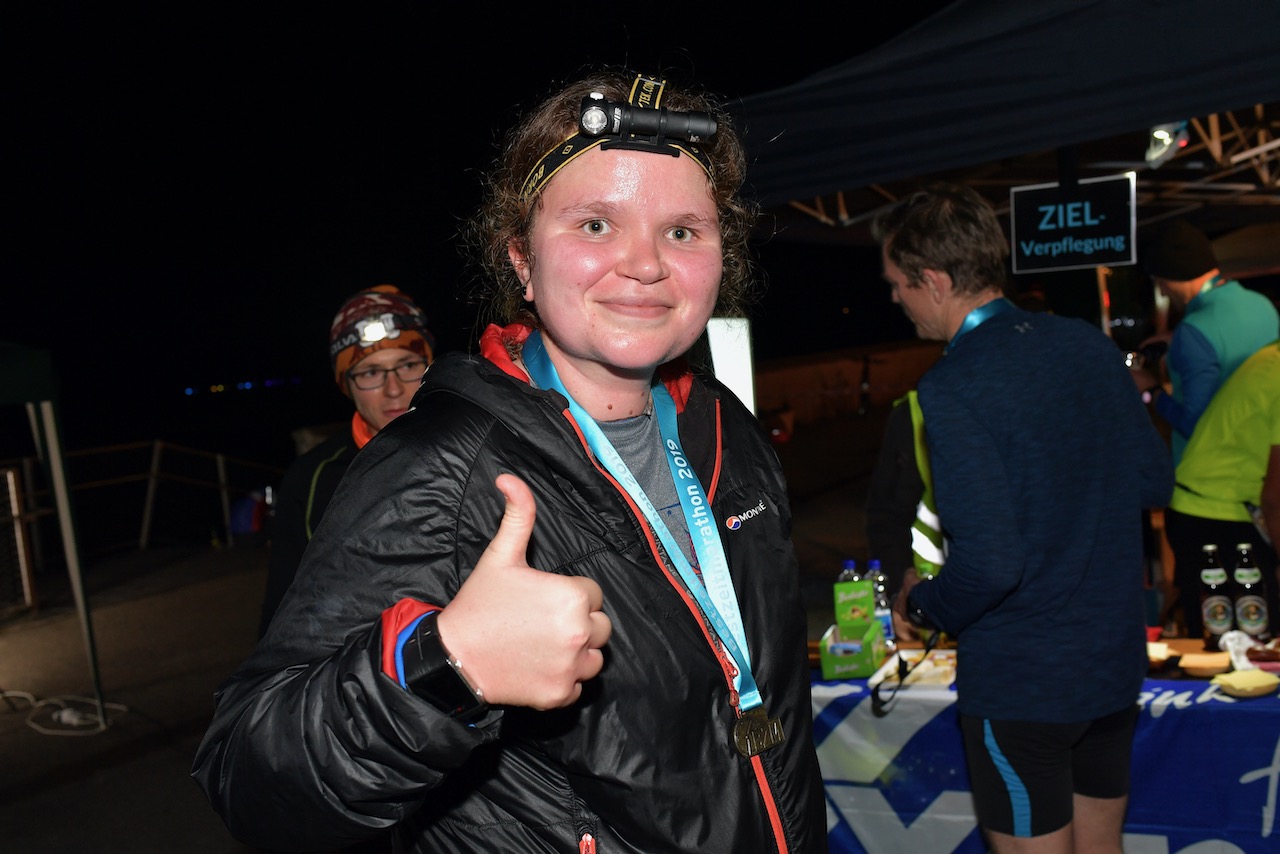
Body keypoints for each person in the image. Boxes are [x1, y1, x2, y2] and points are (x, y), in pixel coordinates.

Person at [193, 69, 826, 853]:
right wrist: (444, 669)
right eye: (596, 225)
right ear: (521, 261)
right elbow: (246, 776)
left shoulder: (728, 427)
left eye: (683, 230)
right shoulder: (439, 466)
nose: (646, 263)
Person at [875, 183, 1173, 853]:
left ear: (935, 279)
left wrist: (924, 605)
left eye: (898, 284)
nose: (894, 298)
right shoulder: (1088, 347)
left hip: (1024, 683)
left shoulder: (952, 384)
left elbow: (991, 564)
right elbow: (1153, 478)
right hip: (1110, 665)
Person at [257, 284, 435, 638]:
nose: (394, 388)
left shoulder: (478, 450)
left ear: (431, 366)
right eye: (370, 373)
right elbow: (280, 625)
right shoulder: (309, 482)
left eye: (408, 365)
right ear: (345, 384)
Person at [1129, 219, 1278, 468]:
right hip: (1263, 460)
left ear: (1176, 275)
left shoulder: (1194, 330)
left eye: (1161, 282)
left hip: (1209, 474)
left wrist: (1150, 390)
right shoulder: (1262, 305)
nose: (1163, 292)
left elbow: (1194, 425)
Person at [1166, 339, 1280, 641]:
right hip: (1217, 516)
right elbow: (1275, 497)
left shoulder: (1269, 357)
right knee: (1248, 644)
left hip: (1203, 507)